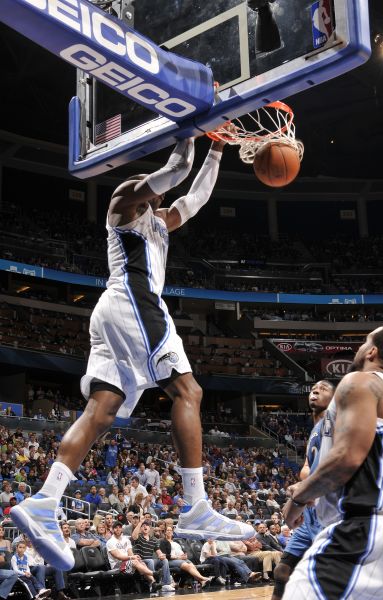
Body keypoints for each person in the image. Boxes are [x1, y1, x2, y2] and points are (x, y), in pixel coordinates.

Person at [11, 134, 254, 570]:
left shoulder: (159, 221)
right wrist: (191, 129)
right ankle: (196, 505)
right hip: (134, 304)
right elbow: (177, 171)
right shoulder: (123, 202)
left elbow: (194, 196)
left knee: (101, 410)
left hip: (115, 312)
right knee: (188, 392)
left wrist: (217, 148)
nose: (160, 189)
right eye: (153, 185)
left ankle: (45, 501)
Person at [282, 326, 383, 600]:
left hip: (360, 529)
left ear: (373, 351)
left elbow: (347, 458)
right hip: (375, 531)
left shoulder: (361, 381)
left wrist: (299, 497)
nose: (359, 348)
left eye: (363, 342)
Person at [271, 379, 335, 600]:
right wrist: (299, 488)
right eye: (313, 389)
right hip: (308, 513)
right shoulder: (316, 428)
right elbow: (308, 469)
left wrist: (301, 492)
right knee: (282, 571)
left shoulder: (333, 422)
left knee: (340, 577)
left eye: (323, 389)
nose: (315, 391)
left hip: (325, 508)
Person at [106, 521, 159, 590]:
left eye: (119, 527)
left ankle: (153, 583)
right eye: (116, 528)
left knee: (141, 562)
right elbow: (118, 556)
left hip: (127, 563)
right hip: (117, 565)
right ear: (112, 530)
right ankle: (153, 573)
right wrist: (132, 557)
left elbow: (130, 553)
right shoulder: (110, 542)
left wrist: (135, 557)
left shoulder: (125, 540)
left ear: (122, 529)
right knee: (135, 562)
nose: (118, 529)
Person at [132, 516, 175, 592]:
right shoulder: (139, 537)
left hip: (150, 560)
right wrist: (140, 522)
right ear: (141, 528)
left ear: (150, 528)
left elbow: (158, 552)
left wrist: (161, 556)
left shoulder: (153, 539)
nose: (145, 527)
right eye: (143, 526)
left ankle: (166, 584)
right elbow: (134, 536)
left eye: (147, 525)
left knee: (164, 560)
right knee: (150, 561)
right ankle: (153, 584)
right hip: (141, 561)